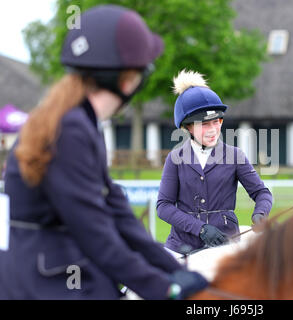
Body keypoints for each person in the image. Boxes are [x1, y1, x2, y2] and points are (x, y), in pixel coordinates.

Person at [0, 5, 207, 300]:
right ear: (128, 79)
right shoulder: (69, 131)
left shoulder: (81, 122)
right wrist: (164, 288)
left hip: (59, 273)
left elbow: (118, 214)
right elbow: (96, 234)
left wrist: (173, 269)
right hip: (45, 284)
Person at [157, 70, 273, 256]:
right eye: (204, 124)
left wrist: (261, 213)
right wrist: (200, 229)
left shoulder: (235, 156)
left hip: (225, 245)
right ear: (188, 127)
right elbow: (163, 207)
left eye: (217, 122)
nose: (213, 130)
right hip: (181, 247)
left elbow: (262, 193)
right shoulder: (175, 158)